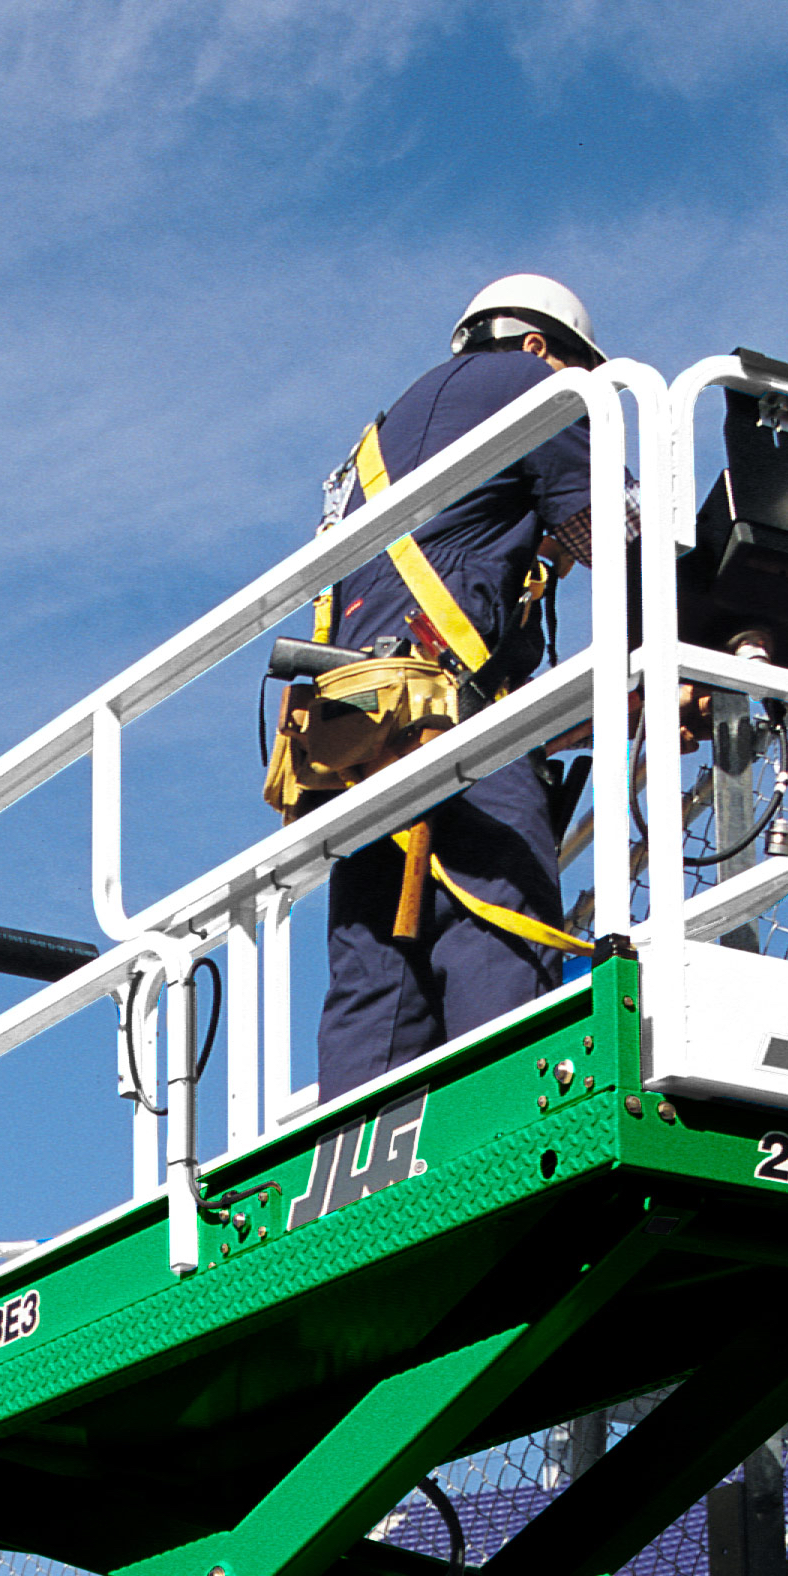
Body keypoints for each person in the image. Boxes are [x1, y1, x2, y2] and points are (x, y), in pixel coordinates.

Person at [309, 273, 603, 1107]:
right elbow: (621, 537)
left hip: (358, 733)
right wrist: (689, 648)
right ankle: (506, 1127)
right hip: (453, 727)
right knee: (495, 930)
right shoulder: (530, 387)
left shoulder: (378, 438)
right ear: (542, 347)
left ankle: (356, 1187)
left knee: (376, 974)